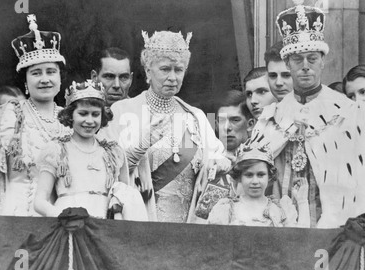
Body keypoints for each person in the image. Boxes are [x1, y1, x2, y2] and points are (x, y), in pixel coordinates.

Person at [249, 0, 365, 228]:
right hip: (281, 225)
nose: (305, 67)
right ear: (288, 64)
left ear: (322, 61)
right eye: (297, 60)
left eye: (312, 59)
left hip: (333, 226)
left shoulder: (347, 112)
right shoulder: (272, 117)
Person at [99, 30, 231, 223]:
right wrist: (140, 149)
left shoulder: (198, 116)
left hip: (189, 227)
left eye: (178, 70)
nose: (172, 77)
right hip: (139, 222)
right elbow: (105, 169)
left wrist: (220, 164)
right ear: (147, 71)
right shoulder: (121, 111)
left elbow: (218, 160)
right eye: (165, 69)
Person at [0, 14, 72, 216]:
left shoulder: (70, 119)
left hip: (58, 218)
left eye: (51, 71)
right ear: (25, 81)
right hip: (14, 215)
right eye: (36, 73)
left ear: (60, 77)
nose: (45, 79)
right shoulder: (7, 115)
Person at [34, 80, 147, 220]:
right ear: (70, 115)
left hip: (105, 227)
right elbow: (39, 202)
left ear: (102, 116)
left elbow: (123, 196)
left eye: (95, 114)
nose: (89, 120)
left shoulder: (113, 152)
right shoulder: (56, 150)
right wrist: (63, 216)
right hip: (68, 225)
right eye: (83, 113)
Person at [208, 141, 310, 228]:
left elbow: (299, 241)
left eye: (261, 175)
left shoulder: (280, 210)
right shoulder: (226, 209)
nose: (255, 181)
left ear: (269, 176)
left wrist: (302, 202)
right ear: (240, 177)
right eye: (249, 175)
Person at [90, 47, 133, 111]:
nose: (117, 85)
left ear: (131, 79)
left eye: (123, 77)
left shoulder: (141, 113)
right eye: (109, 77)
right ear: (94, 77)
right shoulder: (81, 111)